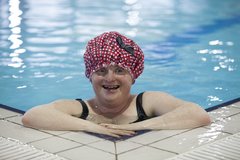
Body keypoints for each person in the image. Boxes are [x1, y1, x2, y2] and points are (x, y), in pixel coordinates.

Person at [22, 31, 211, 138]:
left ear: (133, 76)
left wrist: (139, 126)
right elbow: (32, 116)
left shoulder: (146, 102)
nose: (110, 78)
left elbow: (198, 115)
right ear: (90, 75)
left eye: (120, 70)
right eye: (101, 70)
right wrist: (92, 127)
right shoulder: (83, 109)